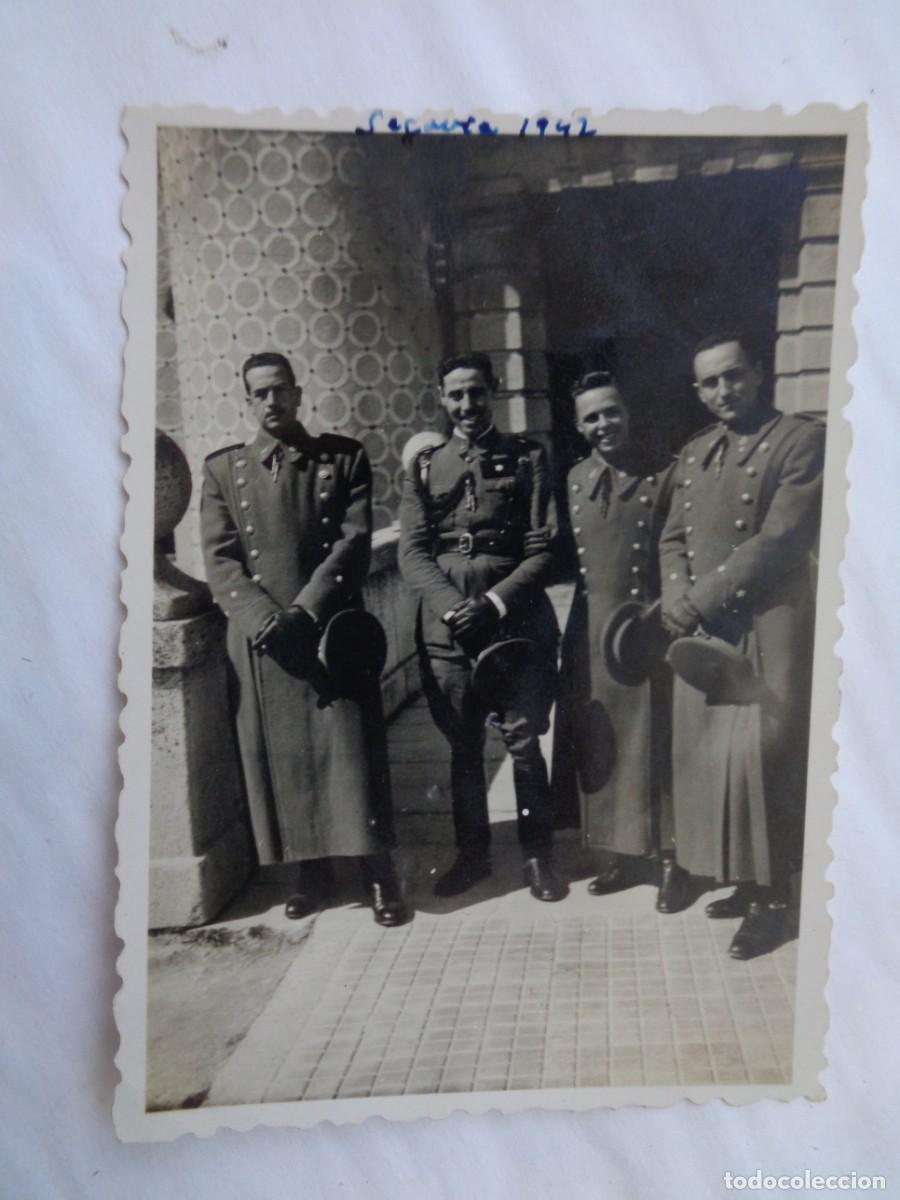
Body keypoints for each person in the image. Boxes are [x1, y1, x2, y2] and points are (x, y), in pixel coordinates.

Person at [200, 351, 406, 927]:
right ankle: (309, 872)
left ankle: (377, 871)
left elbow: (354, 542)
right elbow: (221, 562)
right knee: (286, 761)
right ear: (247, 400)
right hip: (267, 642)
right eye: (260, 393)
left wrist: (305, 612)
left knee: (352, 750)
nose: (272, 402)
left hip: (331, 631)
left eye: (280, 390)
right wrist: (268, 621)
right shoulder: (223, 472)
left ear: (297, 393)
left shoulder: (342, 459)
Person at [659, 332, 825, 959]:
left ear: (758, 374)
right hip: (707, 627)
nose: (723, 391)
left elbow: (779, 539)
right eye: (710, 382)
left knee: (764, 758)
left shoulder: (801, 440)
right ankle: (741, 876)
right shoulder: (697, 451)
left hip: (766, 623)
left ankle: (774, 900)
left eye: (733, 376)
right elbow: (672, 536)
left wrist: (698, 601)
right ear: (698, 392)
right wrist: (679, 596)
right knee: (715, 758)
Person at [398, 352, 565, 901]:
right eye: (456, 395)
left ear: (492, 392)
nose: (467, 405)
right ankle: (471, 856)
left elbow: (544, 548)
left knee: (521, 739)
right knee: (463, 743)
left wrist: (492, 602)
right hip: (447, 629)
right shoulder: (425, 466)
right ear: (441, 400)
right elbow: (412, 553)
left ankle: (538, 856)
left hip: (511, 621)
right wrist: (452, 606)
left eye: (476, 392)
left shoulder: (526, 457)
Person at [550, 372, 691, 912]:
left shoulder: (666, 473)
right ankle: (619, 854)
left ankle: (671, 859)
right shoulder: (576, 478)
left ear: (628, 413)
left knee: (656, 739)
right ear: (579, 425)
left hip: (647, 626)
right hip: (592, 630)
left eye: (611, 412)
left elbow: (684, 550)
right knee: (602, 741)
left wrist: (662, 613)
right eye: (591, 417)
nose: (603, 424)